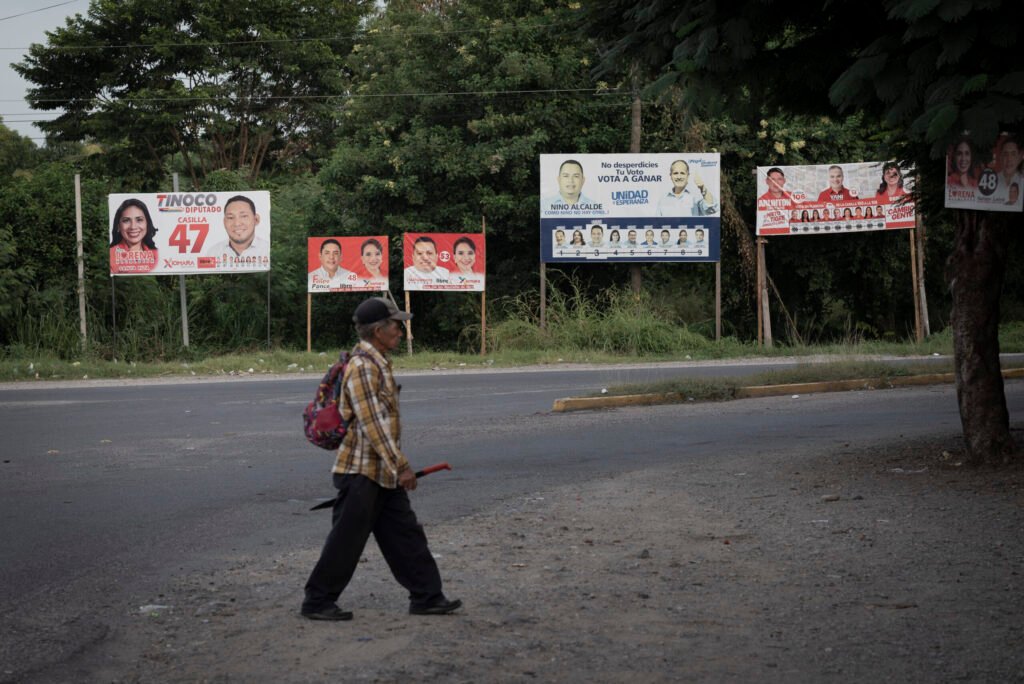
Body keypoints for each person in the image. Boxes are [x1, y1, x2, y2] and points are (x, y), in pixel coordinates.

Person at [301, 297, 462, 621]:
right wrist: (401, 465)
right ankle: (317, 602)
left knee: (406, 536)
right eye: (396, 325)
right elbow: (373, 423)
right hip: (361, 473)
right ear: (378, 330)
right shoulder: (362, 368)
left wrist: (394, 466)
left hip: (380, 472)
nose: (401, 331)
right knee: (345, 542)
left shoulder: (379, 362)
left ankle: (427, 597)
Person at [205, 195, 269, 261]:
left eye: (244, 216)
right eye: (230, 217)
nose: (237, 223)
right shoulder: (213, 252)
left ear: (256, 219)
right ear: (224, 222)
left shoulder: (267, 249)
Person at [109, 198, 159, 273]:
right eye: (126, 220)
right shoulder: (111, 255)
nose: (133, 227)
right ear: (118, 226)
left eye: (139, 220)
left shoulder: (157, 255)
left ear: (147, 223)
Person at [992, 135, 1023, 203]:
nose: (1009, 159)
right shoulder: (993, 180)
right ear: (1000, 158)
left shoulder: (1022, 180)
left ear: (1019, 158)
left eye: (1013, 154)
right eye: (1005, 154)